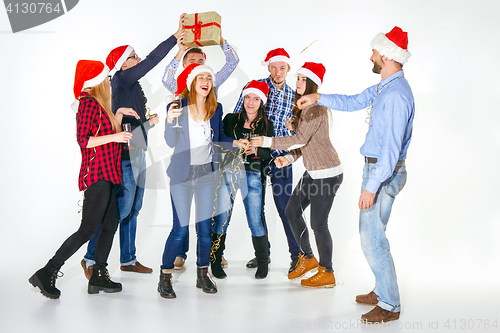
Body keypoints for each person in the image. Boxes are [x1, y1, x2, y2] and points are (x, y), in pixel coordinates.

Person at [297, 26, 414, 323]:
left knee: (371, 240)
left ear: (387, 55)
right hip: (378, 169)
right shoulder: (385, 87)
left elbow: (390, 150)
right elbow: (353, 101)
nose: (371, 56)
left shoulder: (397, 95)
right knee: (375, 236)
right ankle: (382, 289)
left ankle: (390, 305)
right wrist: (317, 98)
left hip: (382, 172)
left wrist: (371, 187)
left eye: (375, 51)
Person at [81, 16, 186, 277]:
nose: (138, 59)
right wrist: (174, 38)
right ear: (122, 64)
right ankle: (90, 258)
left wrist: (148, 123)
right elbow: (151, 62)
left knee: (133, 209)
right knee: (119, 209)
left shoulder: (133, 88)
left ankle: (127, 259)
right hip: (124, 157)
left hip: (138, 152)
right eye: (134, 56)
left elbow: (126, 125)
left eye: (137, 56)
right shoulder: (121, 80)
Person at [29, 60, 140, 299]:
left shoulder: (101, 106)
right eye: (106, 78)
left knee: (110, 224)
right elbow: (85, 140)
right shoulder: (88, 103)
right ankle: (47, 271)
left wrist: (118, 116)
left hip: (109, 176)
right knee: (88, 230)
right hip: (97, 176)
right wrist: (116, 136)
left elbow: (105, 135)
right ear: (97, 82)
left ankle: (99, 275)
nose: (110, 82)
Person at [252, 62, 343, 288]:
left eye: (303, 79)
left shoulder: (316, 108)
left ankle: (327, 271)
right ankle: (308, 258)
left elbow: (299, 139)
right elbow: (306, 144)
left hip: (327, 173)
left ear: (313, 83)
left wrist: (266, 142)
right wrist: (290, 158)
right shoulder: (303, 108)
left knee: (318, 224)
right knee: (292, 211)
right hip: (313, 172)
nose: (298, 82)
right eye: (298, 78)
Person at [162, 19, 239, 270]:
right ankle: (178, 256)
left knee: (206, 224)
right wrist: (179, 49)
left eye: (201, 63)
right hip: (183, 162)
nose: (197, 67)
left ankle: (207, 263)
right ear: (185, 66)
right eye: (191, 62)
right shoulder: (178, 94)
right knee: (180, 223)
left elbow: (232, 63)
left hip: (206, 168)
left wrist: (220, 39)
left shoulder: (212, 91)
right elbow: (166, 77)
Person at [158, 64, 232, 299]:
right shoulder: (177, 106)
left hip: (206, 175)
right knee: (179, 229)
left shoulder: (216, 108)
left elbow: (219, 139)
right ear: (192, 81)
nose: (206, 80)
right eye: (201, 76)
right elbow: (170, 142)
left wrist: (237, 144)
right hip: (182, 175)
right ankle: (165, 277)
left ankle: (202, 274)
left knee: (204, 230)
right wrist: (168, 120)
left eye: (209, 77)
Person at [233, 48, 300, 273]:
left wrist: (291, 147)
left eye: (283, 68)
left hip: (280, 156)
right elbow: (236, 117)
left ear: (288, 69)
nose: (278, 72)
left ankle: (297, 255)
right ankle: (263, 254)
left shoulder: (294, 95)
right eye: (274, 67)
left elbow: (299, 131)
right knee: (256, 208)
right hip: (255, 156)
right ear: (268, 67)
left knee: (285, 207)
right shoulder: (256, 87)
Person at [211, 80, 274, 280]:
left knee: (255, 220)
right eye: (248, 97)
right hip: (229, 172)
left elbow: (268, 154)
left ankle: (263, 262)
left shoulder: (267, 124)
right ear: (243, 98)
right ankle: (215, 260)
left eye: (256, 99)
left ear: (261, 102)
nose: (251, 102)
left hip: (253, 174)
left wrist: (257, 150)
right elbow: (220, 143)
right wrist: (235, 144)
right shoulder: (230, 119)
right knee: (222, 219)